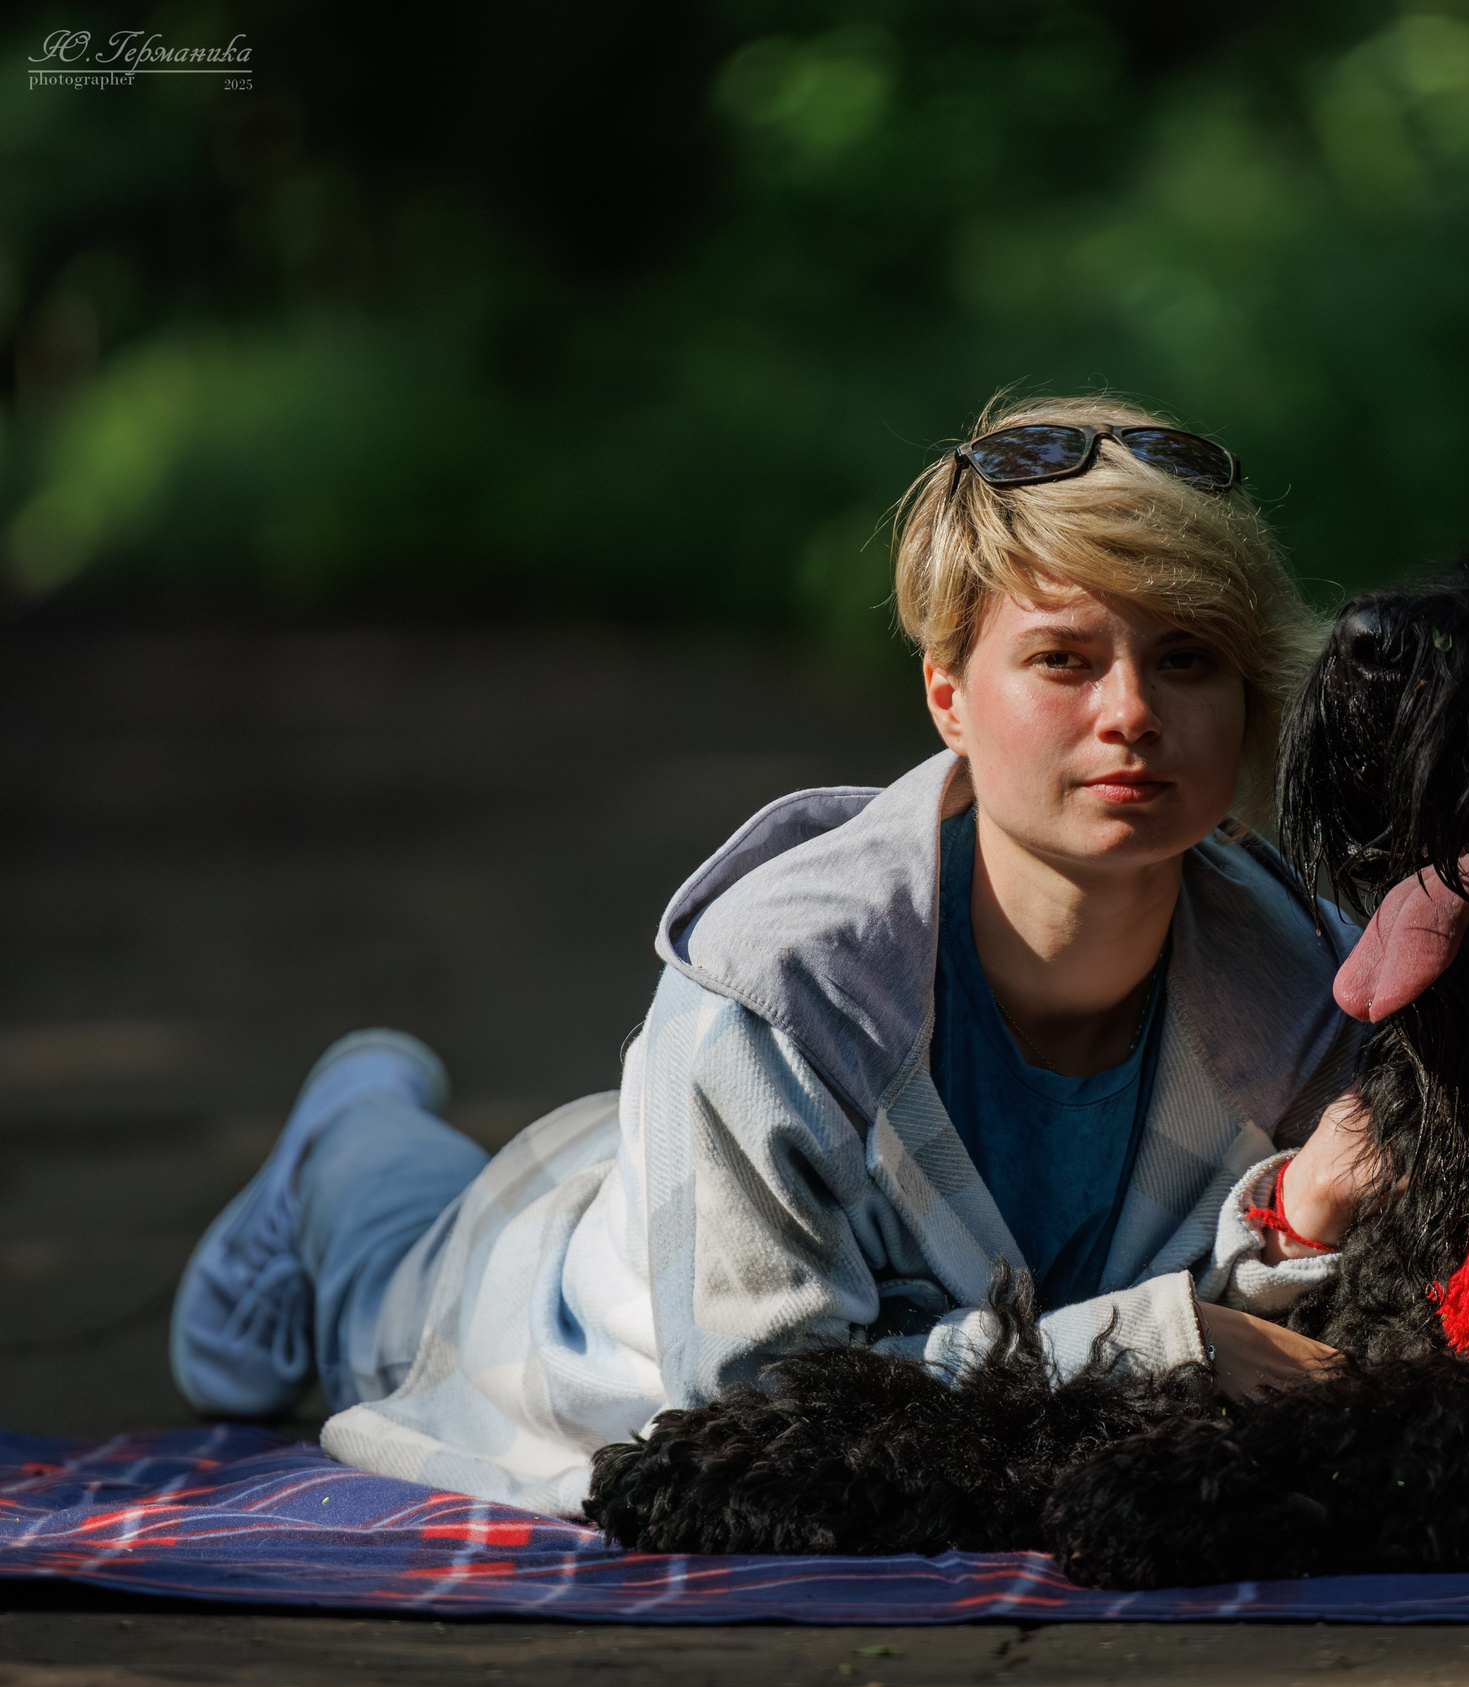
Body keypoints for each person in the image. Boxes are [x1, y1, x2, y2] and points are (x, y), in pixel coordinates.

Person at [170, 395, 1379, 1515]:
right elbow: (758, 1410)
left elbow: (1287, 1331)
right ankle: (343, 1133)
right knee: (385, 1257)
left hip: (717, 1178)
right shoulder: (781, 980)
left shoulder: (1310, 983)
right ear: (948, 695)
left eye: (1186, 658)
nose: (1131, 712)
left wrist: (1296, 1225)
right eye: (1063, 658)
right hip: (565, 1306)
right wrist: (1167, 1348)